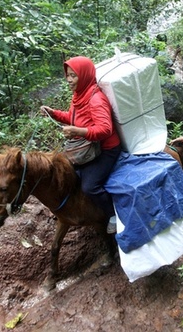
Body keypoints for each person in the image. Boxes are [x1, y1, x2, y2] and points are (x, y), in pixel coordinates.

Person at [40, 56, 122, 233]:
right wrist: (53, 113)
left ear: (84, 76)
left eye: (73, 76)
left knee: (89, 186)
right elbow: (74, 118)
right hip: (89, 146)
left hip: (107, 149)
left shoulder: (95, 99)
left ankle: (113, 215)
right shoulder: (79, 95)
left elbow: (105, 129)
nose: (68, 80)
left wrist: (78, 131)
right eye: (67, 75)